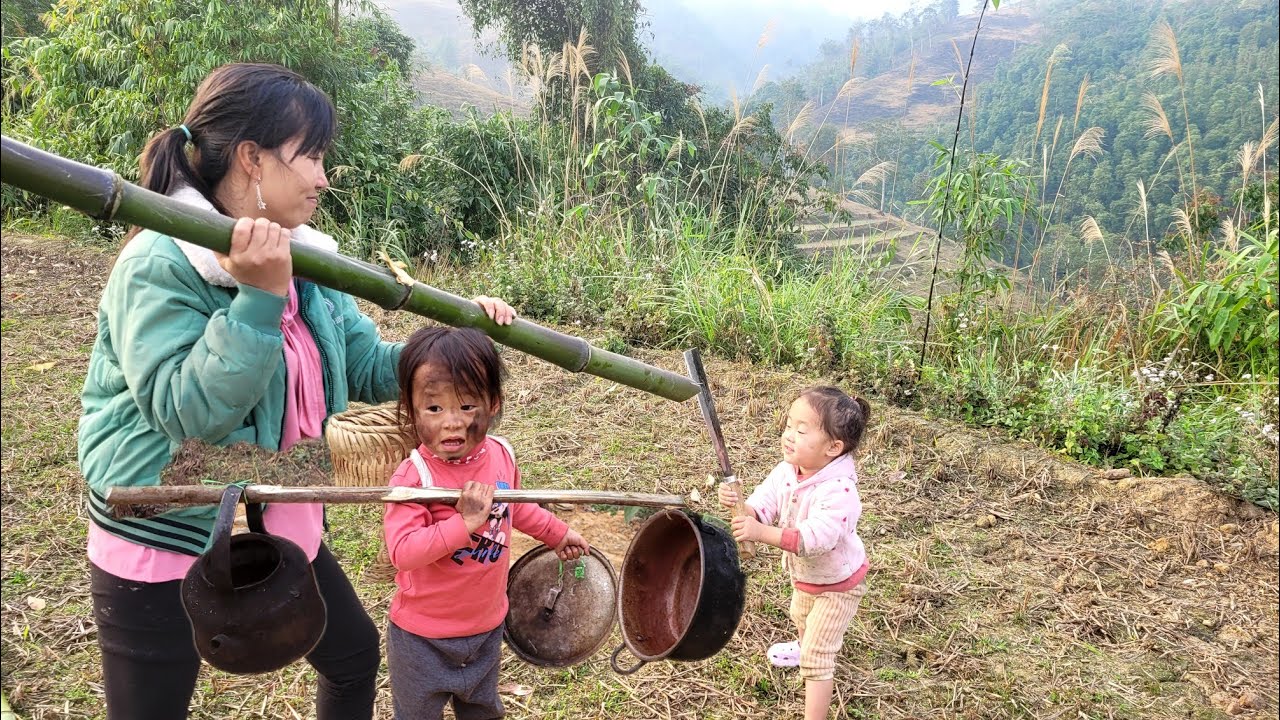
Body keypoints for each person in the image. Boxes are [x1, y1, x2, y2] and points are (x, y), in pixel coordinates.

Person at [78, 62, 515, 720]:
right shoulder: (162, 262)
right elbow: (187, 412)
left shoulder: (307, 259)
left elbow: (370, 362)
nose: (322, 176)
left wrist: (460, 341)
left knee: (352, 655)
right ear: (252, 159)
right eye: (309, 155)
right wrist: (257, 297)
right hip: (163, 520)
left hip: (276, 499)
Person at [383, 326, 591, 720]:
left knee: (481, 710)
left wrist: (558, 533)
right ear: (411, 410)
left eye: (466, 406)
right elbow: (403, 552)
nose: (452, 423)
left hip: (485, 627)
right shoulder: (414, 479)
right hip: (422, 638)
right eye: (434, 408)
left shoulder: (501, 455)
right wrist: (464, 523)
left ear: (492, 403)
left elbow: (518, 509)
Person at [718, 386, 872, 720]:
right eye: (789, 425)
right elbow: (764, 502)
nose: (789, 435)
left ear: (834, 447)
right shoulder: (787, 471)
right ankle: (805, 648)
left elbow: (814, 539)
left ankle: (813, 680)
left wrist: (762, 533)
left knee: (819, 658)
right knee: (801, 616)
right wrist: (745, 509)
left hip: (839, 584)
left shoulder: (840, 491)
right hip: (806, 576)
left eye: (801, 431)